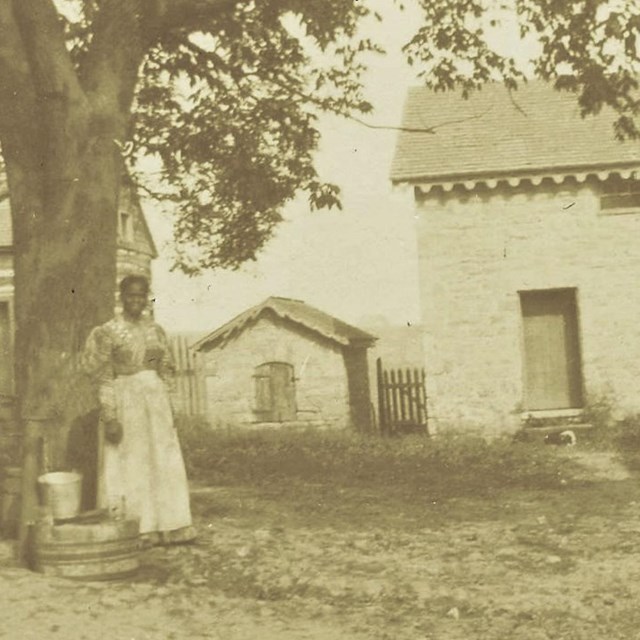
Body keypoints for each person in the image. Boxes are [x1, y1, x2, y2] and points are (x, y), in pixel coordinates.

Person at [81, 274, 195, 546]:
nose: (136, 300)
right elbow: (104, 376)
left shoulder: (154, 332)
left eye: (141, 296)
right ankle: (139, 528)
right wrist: (110, 416)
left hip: (154, 403)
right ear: (121, 298)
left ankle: (169, 525)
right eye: (130, 295)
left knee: (161, 461)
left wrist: (171, 406)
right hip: (126, 401)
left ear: (146, 298)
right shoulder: (107, 332)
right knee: (132, 463)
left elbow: (163, 371)